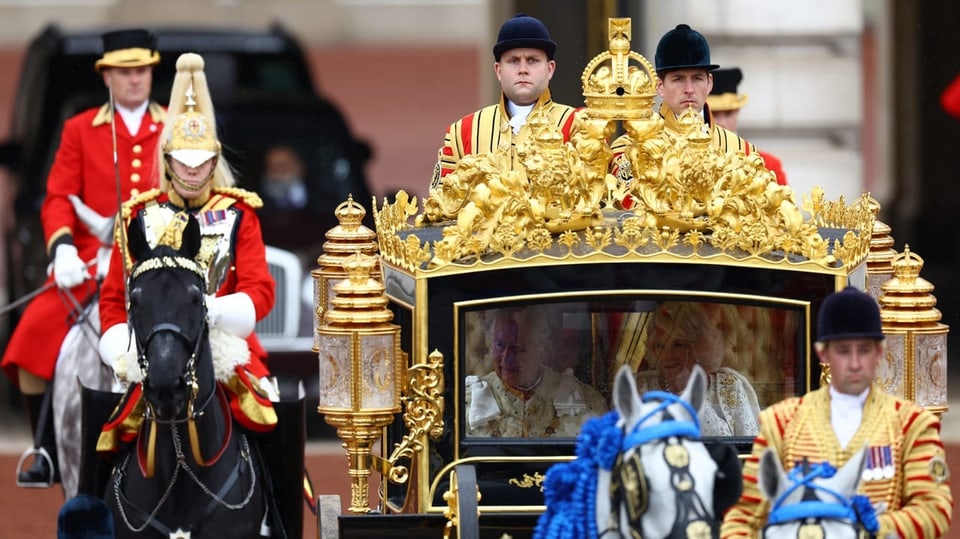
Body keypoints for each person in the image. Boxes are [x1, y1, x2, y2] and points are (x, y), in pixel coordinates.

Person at [1, 29, 164, 487]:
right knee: (30, 337)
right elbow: (57, 198)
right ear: (106, 75)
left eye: (142, 71)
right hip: (90, 266)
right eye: (125, 72)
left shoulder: (173, 126)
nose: (135, 80)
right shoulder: (79, 129)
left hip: (159, 266)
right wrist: (63, 247)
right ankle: (45, 447)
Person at [97, 52, 278, 430]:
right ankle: (90, 490)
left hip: (225, 344)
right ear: (167, 161)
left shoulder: (239, 213)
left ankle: (293, 491)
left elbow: (259, 289)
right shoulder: (138, 217)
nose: (192, 169)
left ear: (214, 161)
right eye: (183, 160)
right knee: (111, 424)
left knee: (268, 412)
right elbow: (114, 298)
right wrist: (121, 351)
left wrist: (215, 310)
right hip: (151, 344)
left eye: (200, 160)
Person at [721, 287, 953, 537]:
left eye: (864, 350)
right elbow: (746, 515)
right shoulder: (782, 422)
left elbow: (934, 509)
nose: (854, 363)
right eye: (843, 351)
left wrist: (866, 527)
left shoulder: (911, 424)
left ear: (879, 352)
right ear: (823, 352)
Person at [430, 13, 580, 189]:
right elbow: (442, 208)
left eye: (532, 60)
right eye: (514, 61)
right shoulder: (463, 132)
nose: (523, 69)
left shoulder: (578, 125)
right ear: (498, 70)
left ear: (550, 69)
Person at [610, 24, 758, 183]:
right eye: (678, 79)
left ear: (709, 83)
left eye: (697, 78)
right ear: (660, 86)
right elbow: (625, 204)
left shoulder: (742, 150)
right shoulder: (630, 150)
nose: (689, 89)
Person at [465, 307, 607, 438]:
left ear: (543, 349)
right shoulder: (469, 402)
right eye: (499, 345)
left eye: (518, 348)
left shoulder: (585, 400)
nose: (506, 357)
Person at [639, 301, 761, 437]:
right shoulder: (638, 387)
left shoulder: (729, 387)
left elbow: (750, 449)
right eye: (659, 346)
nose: (667, 355)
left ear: (695, 347)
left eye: (677, 345)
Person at [707, 67, 788, 185]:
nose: (723, 123)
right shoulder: (687, 163)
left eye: (728, 113)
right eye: (715, 114)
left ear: (737, 112)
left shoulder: (768, 165)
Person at [260, 144, 308, 210]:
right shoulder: (257, 204)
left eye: (283, 166)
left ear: (300, 168)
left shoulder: (322, 200)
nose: (276, 173)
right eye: (271, 167)